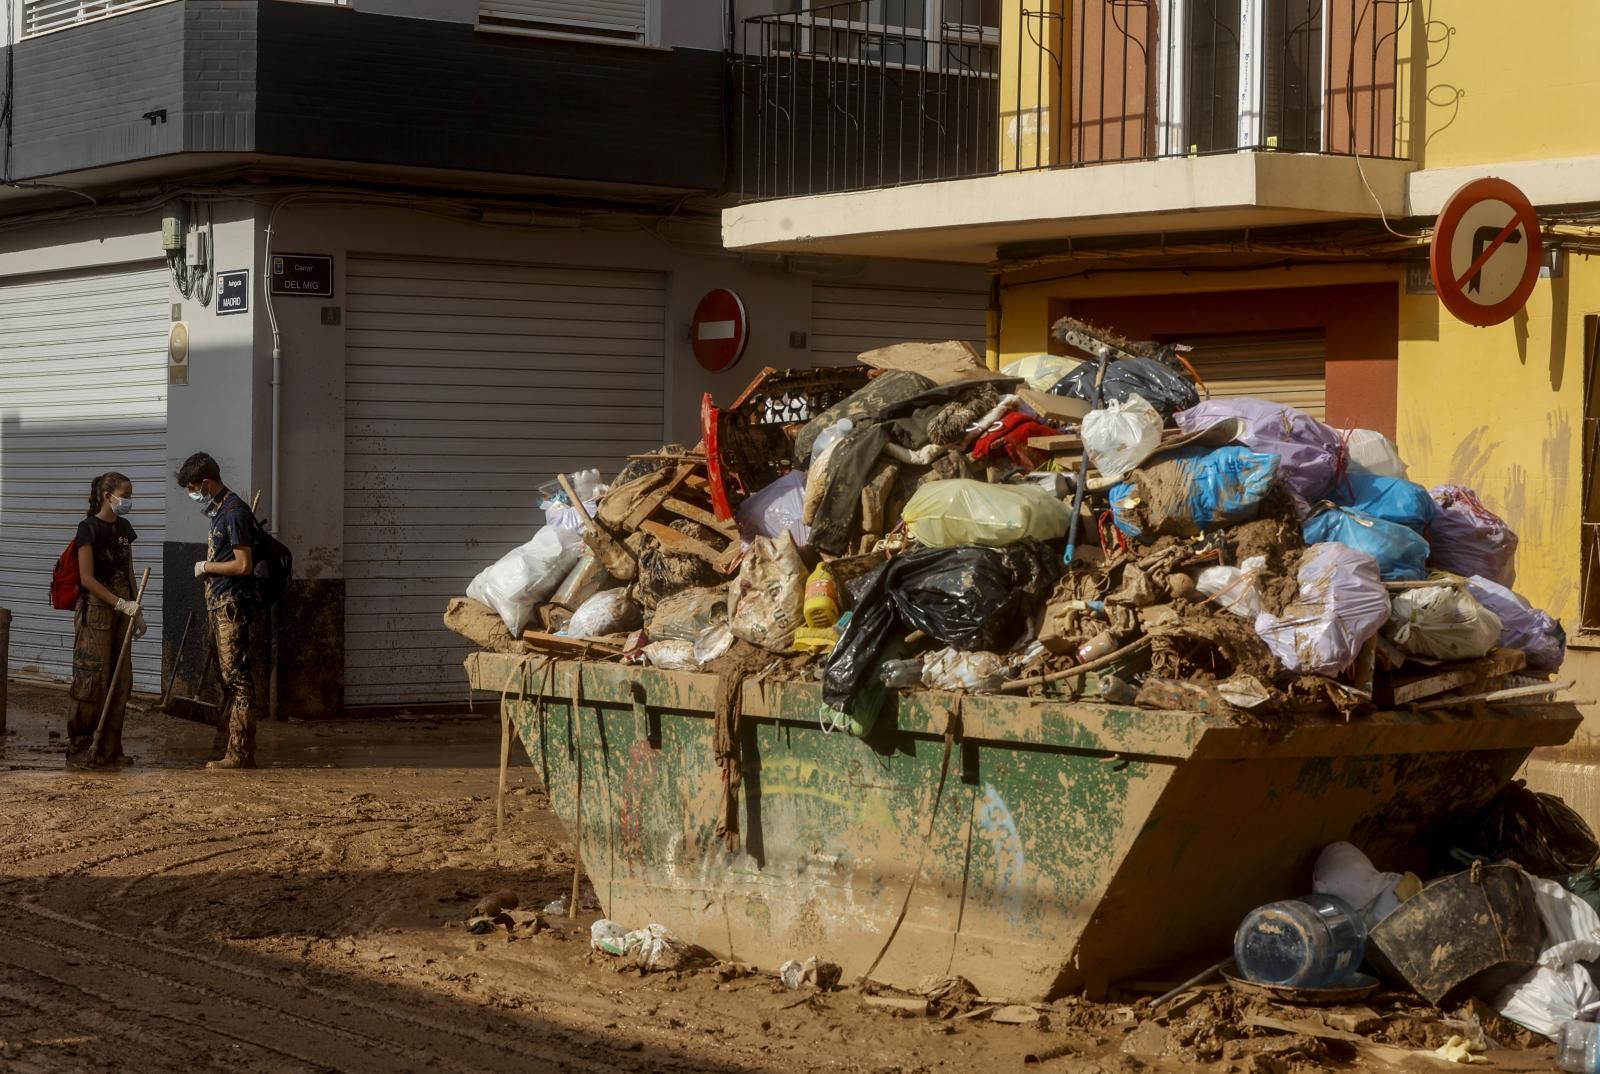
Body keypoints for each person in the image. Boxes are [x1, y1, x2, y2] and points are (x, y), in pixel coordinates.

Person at [175, 452, 262, 770]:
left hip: (231, 607)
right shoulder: (220, 512)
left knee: (237, 679)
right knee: (223, 679)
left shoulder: (234, 512)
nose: (192, 494)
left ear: (207, 483)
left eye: (193, 488)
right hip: (218, 605)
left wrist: (207, 565)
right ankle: (226, 745)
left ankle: (240, 753)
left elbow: (243, 564)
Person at [69, 472, 146, 766]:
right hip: (96, 612)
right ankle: (82, 745)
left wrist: (137, 610)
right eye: (125, 495)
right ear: (107, 496)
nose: (128, 501)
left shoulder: (125, 527)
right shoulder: (88, 528)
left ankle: (111, 748)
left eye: (130, 496)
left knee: (120, 678)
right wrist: (119, 603)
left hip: (123, 608)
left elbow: (128, 570)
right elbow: (87, 578)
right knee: (92, 679)